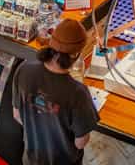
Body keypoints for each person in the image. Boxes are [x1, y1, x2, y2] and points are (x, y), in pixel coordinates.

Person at [13, 18, 99, 165]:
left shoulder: (24, 69)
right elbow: (80, 142)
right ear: (76, 54)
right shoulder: (78, 93)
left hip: (30, 160)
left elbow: (17, 115)